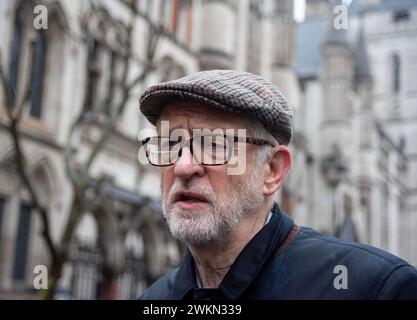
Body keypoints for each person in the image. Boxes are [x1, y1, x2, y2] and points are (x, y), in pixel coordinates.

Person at [137, 69, 417, 299]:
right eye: (170, 143)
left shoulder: (377, 289)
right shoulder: (154, 299)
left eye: (213, 144)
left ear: (271, 171)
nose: (184, 166)